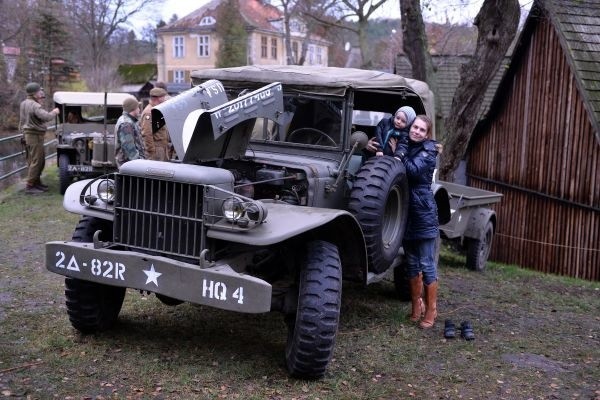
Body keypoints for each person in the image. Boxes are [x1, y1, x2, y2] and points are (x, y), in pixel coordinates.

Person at [395, 114, 441, 329]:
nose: (416, 132)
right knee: (411, 262)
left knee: (427, 264)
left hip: (422, 211)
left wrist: (400, 152)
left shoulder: (428, 151)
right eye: (415, 127)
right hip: (406, 210)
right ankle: (416, 306)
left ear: (427, 135)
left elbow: (412, 171)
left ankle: (431, 310)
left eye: (422, 130)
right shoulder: (409, 145)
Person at [19, 82, 60, 194]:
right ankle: (30, 185)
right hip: (34, 136)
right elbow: (46, 117)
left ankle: (36, 183)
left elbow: (22, 121)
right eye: (39, 92)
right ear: (34, 93)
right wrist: (54, 112)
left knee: (36, 161)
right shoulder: (34, 105)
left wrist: (22, 134)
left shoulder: (24, 103)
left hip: (28, 135)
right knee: (37, 161)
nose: (41, 93)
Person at [140, 87, 172, 161]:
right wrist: (152, 151)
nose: (164, 99)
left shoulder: (156, 110)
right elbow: (147, 133)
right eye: (163, 97)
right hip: (156, 150)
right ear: (158, 98)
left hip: (162, 148)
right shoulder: (149, 112)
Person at [115, 96, 144, 167]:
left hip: (130, 164)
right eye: (138, 107)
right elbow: (130, 150)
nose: (139, 110)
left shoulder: (130, 121)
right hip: (129, 165)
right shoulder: (126, 124)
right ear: (133, 108)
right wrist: (139, 164)